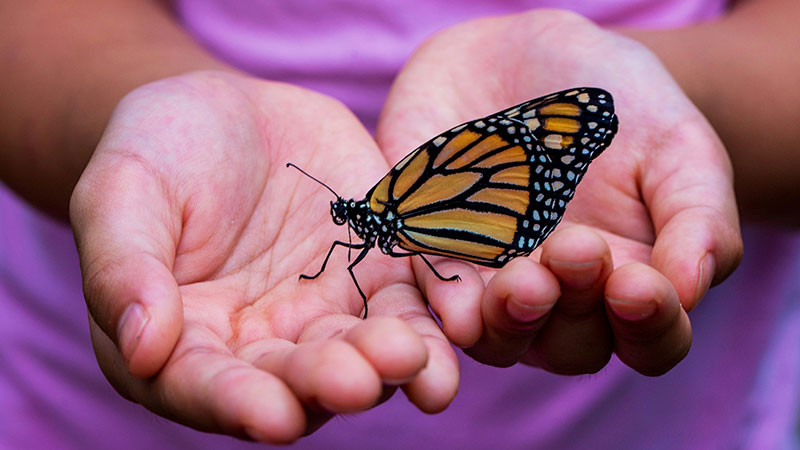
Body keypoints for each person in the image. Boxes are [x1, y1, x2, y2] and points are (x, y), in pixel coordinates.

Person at [1, 0, 797, 448]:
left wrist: (686, 102)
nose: (351, 223)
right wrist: (136, 119)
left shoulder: (399, 202)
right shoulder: (383, 213)